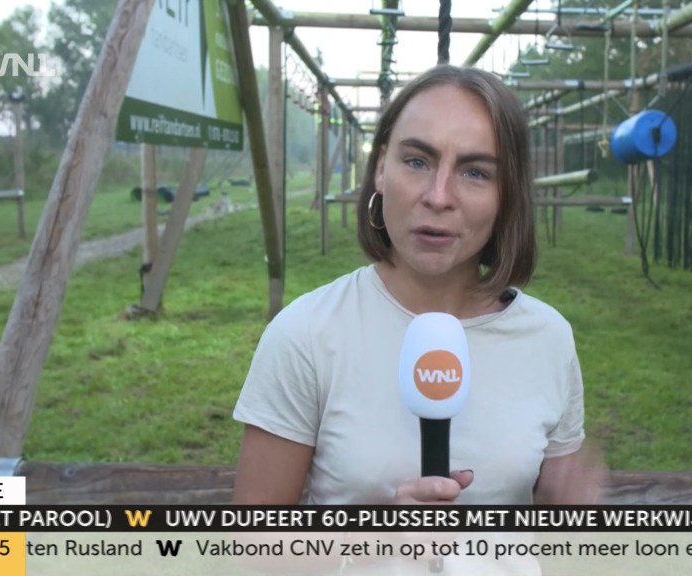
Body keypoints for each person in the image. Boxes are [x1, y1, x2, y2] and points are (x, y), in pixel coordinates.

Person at [232, 64, 603, 574]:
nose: (439, 196)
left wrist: (573, 512)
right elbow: (251, 548)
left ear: (507, 194)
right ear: (380, 169)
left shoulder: (548, 339)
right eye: (416, 161)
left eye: (475, 172)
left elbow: (559, 529)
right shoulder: (307, 335)